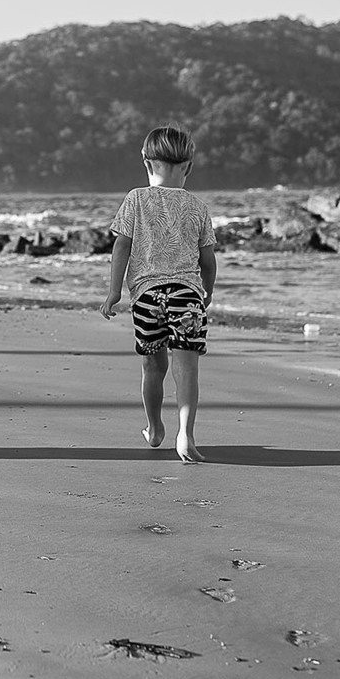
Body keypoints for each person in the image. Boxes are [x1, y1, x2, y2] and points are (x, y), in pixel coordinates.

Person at [99, 125, 217, 463]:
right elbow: (208, 261)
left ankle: (154, 429)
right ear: (188, 166)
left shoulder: (135, 199)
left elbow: (121, 247)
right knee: (187, 367)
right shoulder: (198, 207)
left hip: (148, 297)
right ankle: (186, 434)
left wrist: (113, 292)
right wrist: (205, 293)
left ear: (147, 163)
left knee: (153, 366)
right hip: (187, 297)